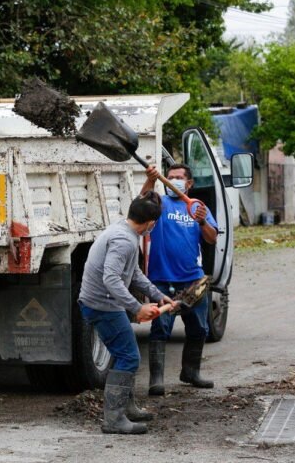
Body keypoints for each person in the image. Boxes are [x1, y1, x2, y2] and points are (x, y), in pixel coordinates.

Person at [78, 192, 177, 435]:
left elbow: (133, 273)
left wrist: (156, 295)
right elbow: (110, 278)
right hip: (102, 305)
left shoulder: (125, 231)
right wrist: (136, 307)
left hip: (102, 303)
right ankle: (114, 419)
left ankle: (126, 408)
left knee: (126, 353)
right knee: (129, 357)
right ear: (150, 223)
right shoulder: (124, 240)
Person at [141, 163, 218, 396]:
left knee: (199, 328)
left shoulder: (197, 207)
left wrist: (203, 221)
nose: (173, 181)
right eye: (170, 177)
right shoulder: (160, 204)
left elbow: (212, 239)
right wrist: (151, 180)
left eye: (179, 178)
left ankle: (191, 373)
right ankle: (156, 380)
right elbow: (141, 205)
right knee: (160, 328)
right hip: (161, 279)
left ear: (189, 183)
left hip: (193, 280)